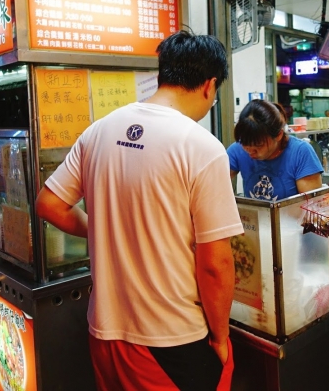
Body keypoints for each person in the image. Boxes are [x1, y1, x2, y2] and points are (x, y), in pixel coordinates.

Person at [35, 30, 243, 391]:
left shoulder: (98, 131)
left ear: (163, 75)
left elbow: (49, 204)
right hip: (171, 339)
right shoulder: (202, 148)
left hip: (104, 333)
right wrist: (220, 337)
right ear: (210, 86)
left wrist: (102, 227)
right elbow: (215, 263)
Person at [227, 100, 324, 201]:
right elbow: (215, 186)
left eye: (258, 145)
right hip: (255, 216)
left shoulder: (300, 152)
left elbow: (312, 206)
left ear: (278, 135)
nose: (251, 152)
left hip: (292, 216)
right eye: (245, 144)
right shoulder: (237, 150)